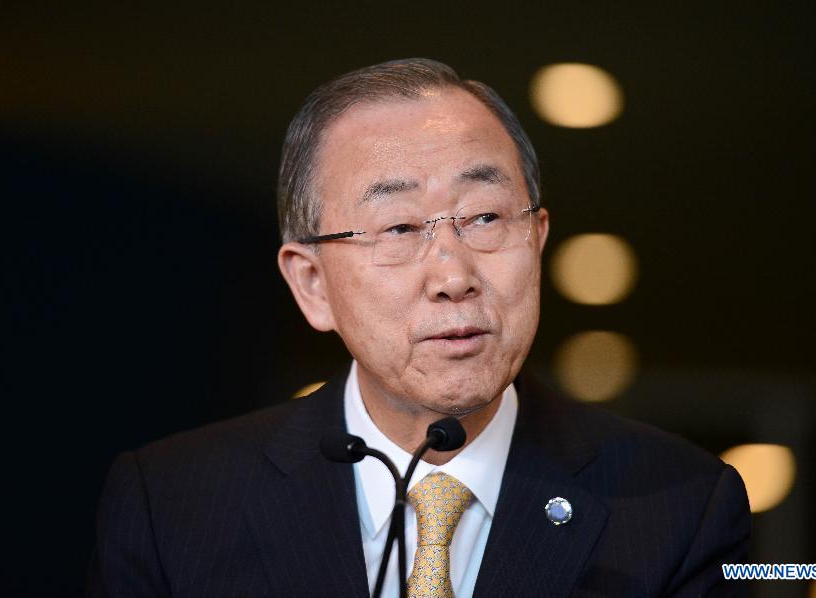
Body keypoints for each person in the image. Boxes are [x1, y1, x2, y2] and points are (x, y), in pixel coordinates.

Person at [88, 58, 750, 597]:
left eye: (486, 217)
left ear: (539, 240)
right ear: (311, 284)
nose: (453, 274)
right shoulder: (173, 505)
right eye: (399, 228)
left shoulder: (678, 508)